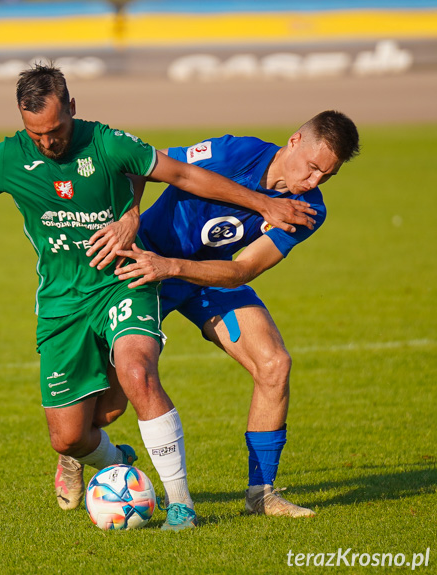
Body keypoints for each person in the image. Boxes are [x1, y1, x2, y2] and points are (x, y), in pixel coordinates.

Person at [0, 64, 316, 531]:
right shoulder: (8, 157)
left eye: (56, 129)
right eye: (37, 134)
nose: (49, 142)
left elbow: (178, 173)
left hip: (124, 279)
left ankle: (180, 503)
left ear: (71, 105)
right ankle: (112, 466)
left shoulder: (108, 141)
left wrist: (248, 204)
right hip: (62, 301)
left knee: (139, 371)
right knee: (72, 435)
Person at [110, 110, 360, 517]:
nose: (314, 182)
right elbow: (143, 163)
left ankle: (261, 495)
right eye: (313, 168)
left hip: (208, 275)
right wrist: (131, 215)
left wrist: (173, 267)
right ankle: (82, 449)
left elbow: (243, 270)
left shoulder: (307, 208)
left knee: (274, 363)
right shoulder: (234, 152)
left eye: (326, 177)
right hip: (142, 263)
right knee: (112, 401)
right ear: (294, 141)